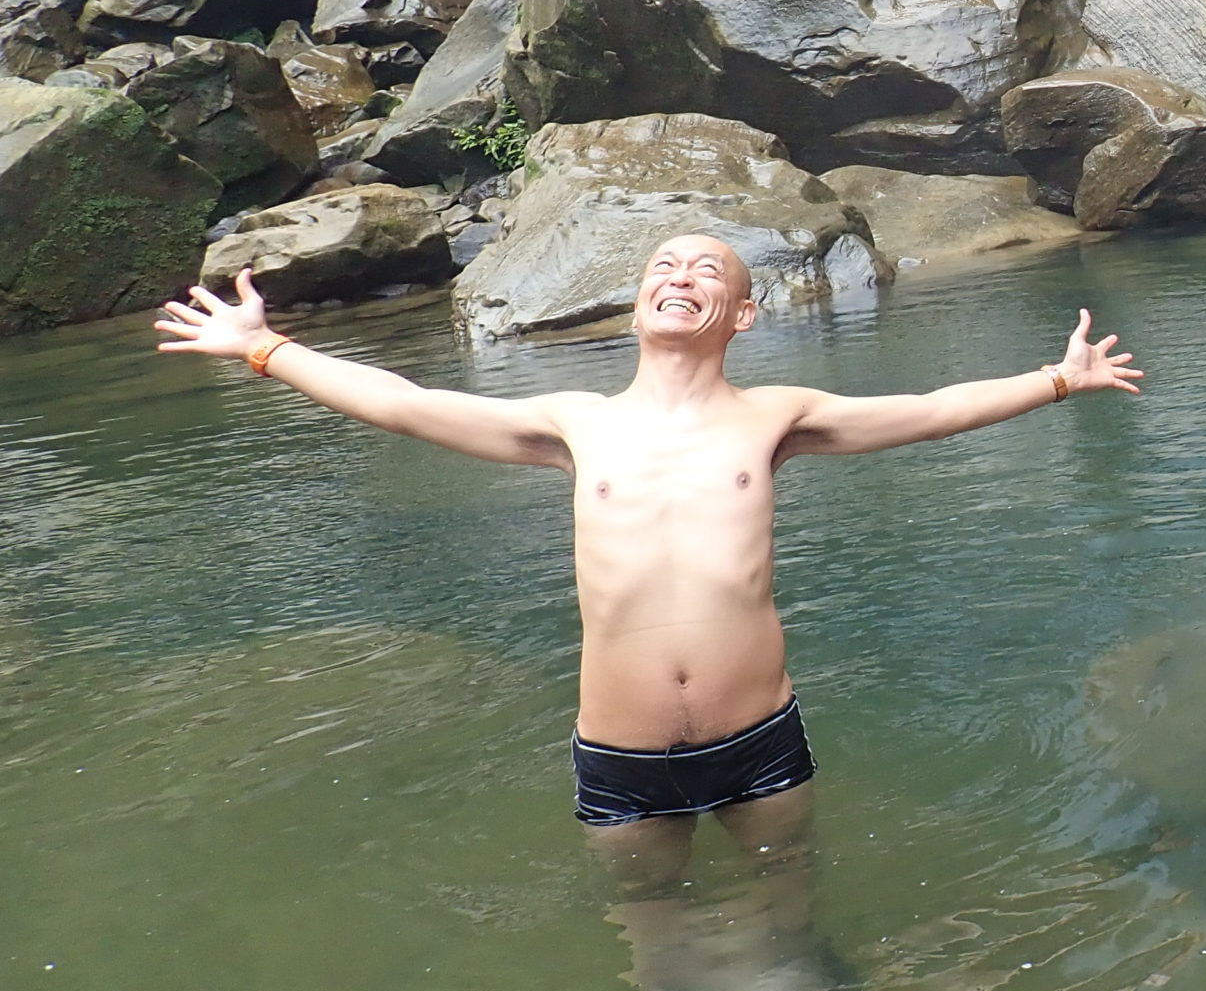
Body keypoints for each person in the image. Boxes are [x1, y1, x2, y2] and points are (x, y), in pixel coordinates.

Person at [154, 234, 1143, 844]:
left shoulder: (777, 413)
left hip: (761, 742)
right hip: (620, 760)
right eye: (662, 265)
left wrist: (1055, 379)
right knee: (657, 947)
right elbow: (406, 403)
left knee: (781, 921)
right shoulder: (575, 422)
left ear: (743, 313)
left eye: (706, 268)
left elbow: (931, 407)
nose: (680, 275)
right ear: (636, 304)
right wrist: (265, 350)